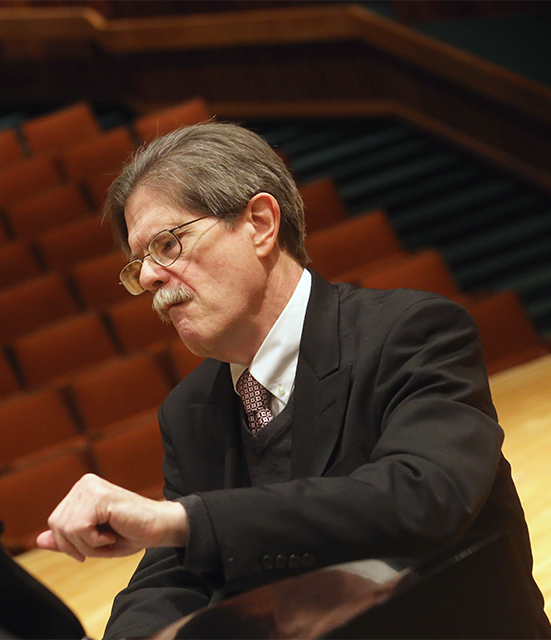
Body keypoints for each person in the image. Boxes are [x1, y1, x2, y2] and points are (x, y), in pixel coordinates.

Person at [37, 122, 549, 639]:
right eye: (139, 263)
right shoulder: (189, 410)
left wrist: (186, 521)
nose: (148, 278)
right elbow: (171, 578)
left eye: (167, 245)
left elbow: (422, 496)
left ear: (260, 223)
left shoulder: (408, 332)